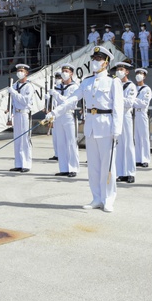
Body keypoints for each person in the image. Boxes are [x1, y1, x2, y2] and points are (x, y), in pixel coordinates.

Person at [45, 46, 123, 212]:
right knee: (94, 166)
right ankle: (96, 197)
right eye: (94, 59)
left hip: (106, 126)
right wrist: (54, 113)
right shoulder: (86, 82)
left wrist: (117, 130)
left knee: (107, 166)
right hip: (91, 126)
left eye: (99, 59)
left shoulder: (113, 81)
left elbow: (118, 107)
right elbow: (71, 100)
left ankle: (108, 199)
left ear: (106, 62)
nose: (95, 62)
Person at [50, 64, 80, 177]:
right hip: (58, 116)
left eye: (67, 71)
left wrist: (56, 95)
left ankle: (73, 168)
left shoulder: (74, 87)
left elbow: (68, 102)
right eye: (63, 71)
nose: (64, 73)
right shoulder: (57, 86)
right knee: (61, 143)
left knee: (71, 143)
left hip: (68, 115)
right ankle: (63, 168)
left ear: (71, 73)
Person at [114, 61, 137, 184]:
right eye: (117, 69)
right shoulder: (115, 84)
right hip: (116, 116)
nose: (119, 71)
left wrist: (117, 98)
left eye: (121, 69)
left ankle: (130, 172)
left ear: (127, 71)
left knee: (128, 144)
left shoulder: (131, 86)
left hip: (125, 115)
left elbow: (129, 102)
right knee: (119, 145)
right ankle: (121, 172)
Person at [8, 64, 34, 172]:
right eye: (18, 70)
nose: (19, 72)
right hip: (17, 114)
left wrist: (13, 93)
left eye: (22, 70)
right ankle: (18, 163)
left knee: (25, 140)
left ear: (26, 73)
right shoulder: (14, 85)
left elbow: (25, 101)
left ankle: (26, 164)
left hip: (24, 114)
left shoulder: (29, 86)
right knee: (17, 140)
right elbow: (12, 102)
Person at [134, 68, 152, 168]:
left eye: (140, 74)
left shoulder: (146, 89)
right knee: (136, 137)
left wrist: (133, 100)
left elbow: (144, 103)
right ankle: (138, 158)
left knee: (144, 137)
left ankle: (145, 159)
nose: (138, 75)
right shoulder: (133, 88)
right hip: (133, 114)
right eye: (137, 73)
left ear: (144, 76)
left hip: (142, 114)